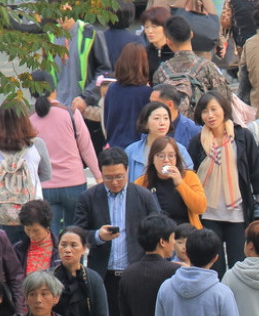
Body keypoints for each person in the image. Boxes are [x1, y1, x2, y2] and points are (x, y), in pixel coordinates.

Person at [74, 147, 160, 316]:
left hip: (137, 275)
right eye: (109, 177)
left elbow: (159, 227)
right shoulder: (90, 197)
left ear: (127, 172)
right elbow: (76, 232)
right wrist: (96, 236)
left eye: (119, 177)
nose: (114, 182)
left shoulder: (143, 196)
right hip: (105, 276)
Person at [188, 91, 259, 277]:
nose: (210, 115)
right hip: (207, 213)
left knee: (238, 267)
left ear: (224, 110)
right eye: (205, 111)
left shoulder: (243, 137)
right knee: (212, 268)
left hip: (237, 213)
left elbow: (255, 171)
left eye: (214, 109)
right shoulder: (197, 142)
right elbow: (190, 176)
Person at [27, 71, 101, 235]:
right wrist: (99, 177)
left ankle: (54, 261)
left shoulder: (29, 122)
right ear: (55, 91)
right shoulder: (71, 114)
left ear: (32, 93)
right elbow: (86, 148)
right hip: (74, 185)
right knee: (76, 237)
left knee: (51, 239)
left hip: (45, 188)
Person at [47, 0, 111, 113]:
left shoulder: (90, 34)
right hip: (57, 109)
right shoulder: (50, 36)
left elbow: (104, 71)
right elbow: (45, 73)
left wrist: (86, 98)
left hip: (84, 109)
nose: (61, 17)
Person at [151, 16, 230, 111]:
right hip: (203, 124)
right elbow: (224, 100)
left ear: (168, 41)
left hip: (173, 125)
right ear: (191, 34)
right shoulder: (207, 67)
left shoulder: (161, 72)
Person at [0, 105, 49, 245]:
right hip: (34, 210)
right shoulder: (37, 144)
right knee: (33, 256)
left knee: (7, 258)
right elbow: (46, 173)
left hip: (4, 212)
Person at [135, 136, 207, 228]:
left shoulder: (189, 177)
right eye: (160, 156)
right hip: (157, 234)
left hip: (185, 234)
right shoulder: (142, 182)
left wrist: (180, 183)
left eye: (171, 156)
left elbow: (200, 208)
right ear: (152, 159)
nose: (166, 160)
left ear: (177, 158)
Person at [124, 101, 194, 183]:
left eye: (166, 118)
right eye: (157, 118)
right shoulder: (131, 151)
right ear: (146, 123)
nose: (162, 123)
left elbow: (188, 181)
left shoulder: (179, 150)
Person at [102, 43, 153, 150]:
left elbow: (107, 121)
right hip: (138, 150)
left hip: (115, 148)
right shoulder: (148, 93)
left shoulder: (112, 89)